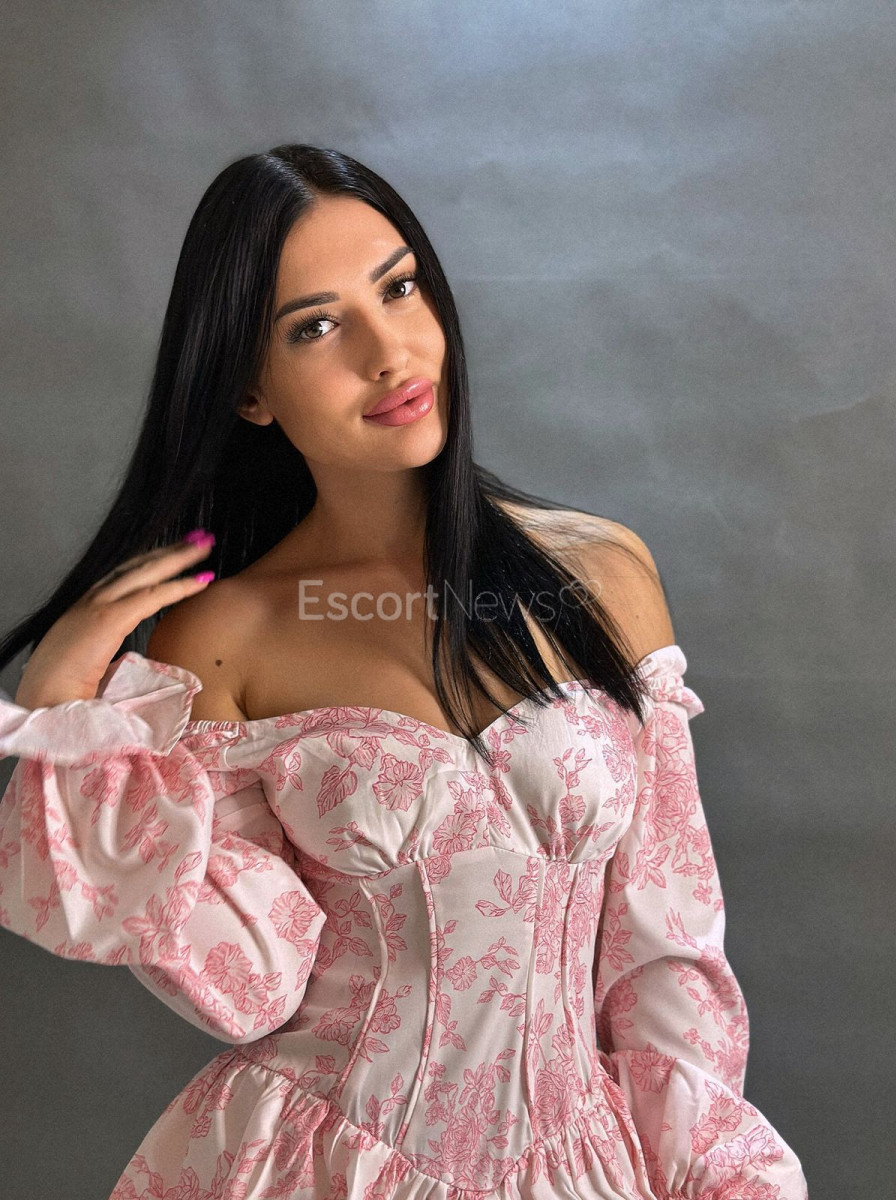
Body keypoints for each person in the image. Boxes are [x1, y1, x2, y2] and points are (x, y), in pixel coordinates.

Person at [0, 144, 807, 1199]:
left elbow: (669, 951)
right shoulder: (223, 635)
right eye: (316, 326)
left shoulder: (602, 575)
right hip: (322, 1163)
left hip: (583, 1169)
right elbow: (249, 985)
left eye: (400, 288)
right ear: (248, 390)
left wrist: (713, 1173)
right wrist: (65, 710)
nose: (389, 353)